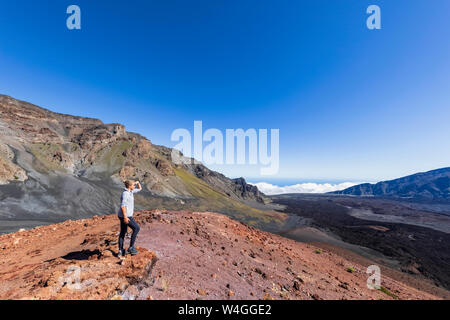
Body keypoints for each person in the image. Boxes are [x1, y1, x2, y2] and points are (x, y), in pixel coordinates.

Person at [117, 180, 142, 257]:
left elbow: (140, 189)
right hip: (125, 216)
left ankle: (120, 250)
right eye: (133, 185)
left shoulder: (131, 191)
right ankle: (131, 248)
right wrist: (125, 217)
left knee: (123, 232)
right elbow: (123, 206)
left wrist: (137, 183)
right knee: (136, 228)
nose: (134, 187)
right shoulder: (125, 194)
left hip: (124, 215)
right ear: (129, 186)